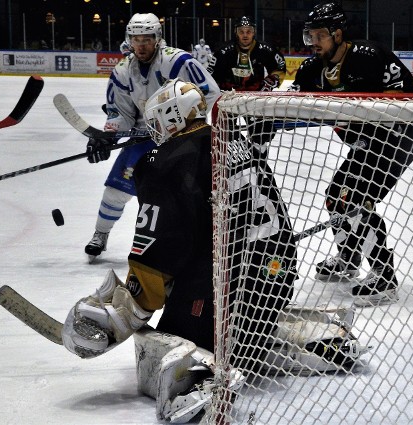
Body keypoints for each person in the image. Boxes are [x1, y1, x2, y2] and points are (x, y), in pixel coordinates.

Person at [62, 79, 366, 422]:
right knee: (243, 343)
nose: (155, 130)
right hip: (276, 277)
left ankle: (202, 387)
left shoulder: (167, 161)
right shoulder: (235, 141)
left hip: (226, 285)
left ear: (170, 117)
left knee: (164, 342)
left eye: (157, 121)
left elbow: (158, 253)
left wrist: (122, 311)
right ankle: (317, 337)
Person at [288, 2, 413, 307]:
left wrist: (364, 111)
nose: (314, 42)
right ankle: (348, 259)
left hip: (394, 140)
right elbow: (287, 105)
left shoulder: (370, 56)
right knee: (336, 195)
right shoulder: (311, 71)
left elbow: (406, 96)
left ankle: (384, 278)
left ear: (337, 33)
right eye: (311, 36)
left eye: (320, 35)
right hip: (363, 146)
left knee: (358, 201)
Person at [83, 12, 220, 262]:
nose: (141, 45)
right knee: (116, 190)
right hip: (144, 138)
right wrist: (108, 136)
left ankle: (189, 240)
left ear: (157, 38)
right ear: (129, 40)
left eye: (147, 39)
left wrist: (183, 121)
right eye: (136, 39)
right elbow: (120, 112)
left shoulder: (178, 62)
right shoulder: (123, 70)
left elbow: (210, 93)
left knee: (181, 194)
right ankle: (100, 234)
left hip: (181, 139)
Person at [208, 16, 286, 92]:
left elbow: (280, 67)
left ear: (254, 32)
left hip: (257, 97)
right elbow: (210, 73)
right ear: (236, 32)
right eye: (241, 31)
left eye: (249, 31)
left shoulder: (266, 50)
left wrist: (270, 83)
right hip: (228, 96)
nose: (245, 35)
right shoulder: (223, 52)